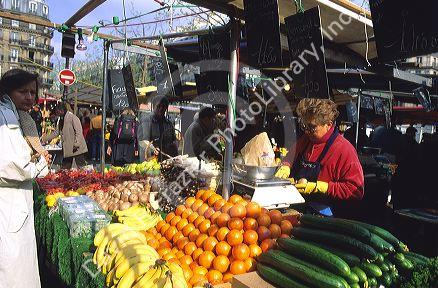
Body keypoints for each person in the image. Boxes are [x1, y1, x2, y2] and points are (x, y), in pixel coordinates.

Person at [0, 69, 50, 288]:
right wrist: (40, 163)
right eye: (23, 91)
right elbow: (13, 166)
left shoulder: (19, 117)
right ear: (8, 91)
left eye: (33, 92)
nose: (30, 97)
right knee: (13, 273)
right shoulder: (5, 117)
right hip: (9, 206)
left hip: (15, 205)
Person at [277, 98, 364, 217]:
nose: (307, 131)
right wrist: (286, 165)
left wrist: (322, 187)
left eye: (312, 127)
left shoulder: (344, 150)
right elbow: (290, 156)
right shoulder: (306, 140)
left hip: (325, 217)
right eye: (304, 126)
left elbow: (356, 190)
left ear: (328, 124)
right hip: (297, 209)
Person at [44, 103, 88, 169]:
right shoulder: (61, 120)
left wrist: (76, 143)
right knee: (65, 168)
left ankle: (88, 178)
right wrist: (45, 138)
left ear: (61, 110)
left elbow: (79, 132)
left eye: (57, 111)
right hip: (68, 148)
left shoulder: (73, 117)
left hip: (77, 148)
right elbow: (56, 132)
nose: (56, 113)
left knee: (82, 167)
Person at [137, 96, 178, 161]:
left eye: (164, 107)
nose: (161, 109)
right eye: (158, 106)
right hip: (150, 161)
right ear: (153, 107)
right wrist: (153, 149)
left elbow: (173, 140)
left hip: (166, 160)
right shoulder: (146, 121)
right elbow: (142, 141)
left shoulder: (169, 123)